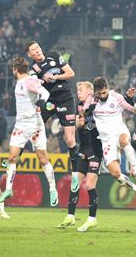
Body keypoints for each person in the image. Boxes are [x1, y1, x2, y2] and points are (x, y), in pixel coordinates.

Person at [0, 57, 58, 206]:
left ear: (15, 70)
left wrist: (42, 101)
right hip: (20, 126)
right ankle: (9, 190)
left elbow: (45, 93)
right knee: (12, 156)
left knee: (43, 158)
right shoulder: (23, 81)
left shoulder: (29, 81)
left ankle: (52, 188)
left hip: (35, 125)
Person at [85, 77, 136, 206]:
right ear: (95, 92)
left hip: (119, 130)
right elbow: (83, 114)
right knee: (116, 174)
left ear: (108, 89)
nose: (103, 96)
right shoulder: (91, 99)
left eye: (105, 92)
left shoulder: (116, 97)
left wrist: (131, 101)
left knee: (125, 141)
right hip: (106, 139)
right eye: (100, 93)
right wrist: (89, 110)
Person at [25, 41, 80, 192]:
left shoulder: (55, 56)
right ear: (29, 54)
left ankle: (75, 174)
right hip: (48, 100)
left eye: (37, 47)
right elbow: (33, 84)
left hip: (65, 98)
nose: (37, 51)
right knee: (32, 130)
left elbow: (71, 73)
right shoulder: (32, 68)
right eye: (33, 50)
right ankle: (15, 160)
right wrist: (43, 80)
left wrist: (55, 77)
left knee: (70, 139)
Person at [58, 81, 103, 232]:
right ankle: (70, 216)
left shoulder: (97, 106)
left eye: (81, 90)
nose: (78, 93)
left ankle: (92, 219)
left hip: (96, 150)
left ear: (90, 92)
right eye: (77, 90)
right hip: (83, 149)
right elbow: (74, 128)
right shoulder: (78, 107)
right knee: (75, 183)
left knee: (90, 185)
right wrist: (78, 123)